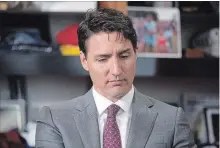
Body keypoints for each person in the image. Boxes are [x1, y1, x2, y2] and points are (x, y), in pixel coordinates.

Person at [35, 8, 197, 148]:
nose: (116, 70)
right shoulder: (55, 120)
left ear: (135, 53)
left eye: (124, 56)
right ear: (85, 61)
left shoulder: (172, 120)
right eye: (102, 59)